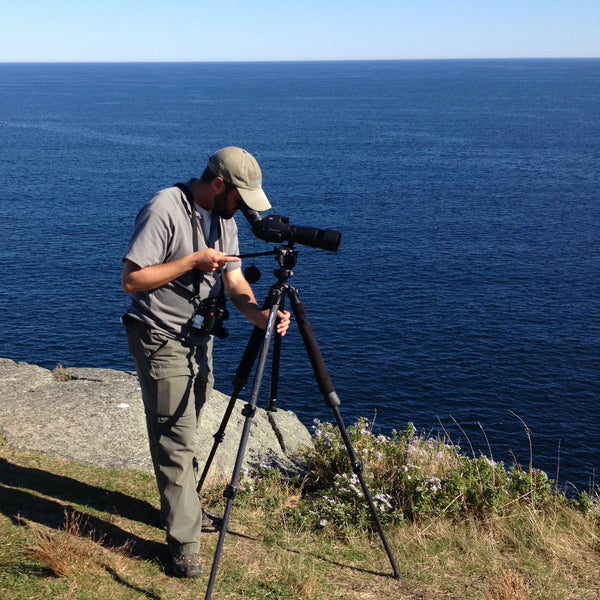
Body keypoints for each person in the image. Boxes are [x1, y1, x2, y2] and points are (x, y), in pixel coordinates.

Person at [121, 146, 291, 578]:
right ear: (219, 184)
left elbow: (234, 280)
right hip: (160, 335)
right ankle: (185, 543)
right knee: (175, 437)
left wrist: (259, 316)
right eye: (240, 198)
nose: (243, 210)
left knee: (188, 428)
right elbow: (132, 279)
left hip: (199, 337)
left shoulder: (225, 218)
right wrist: (193, 261)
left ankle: (184, 512)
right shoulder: (165, 207)